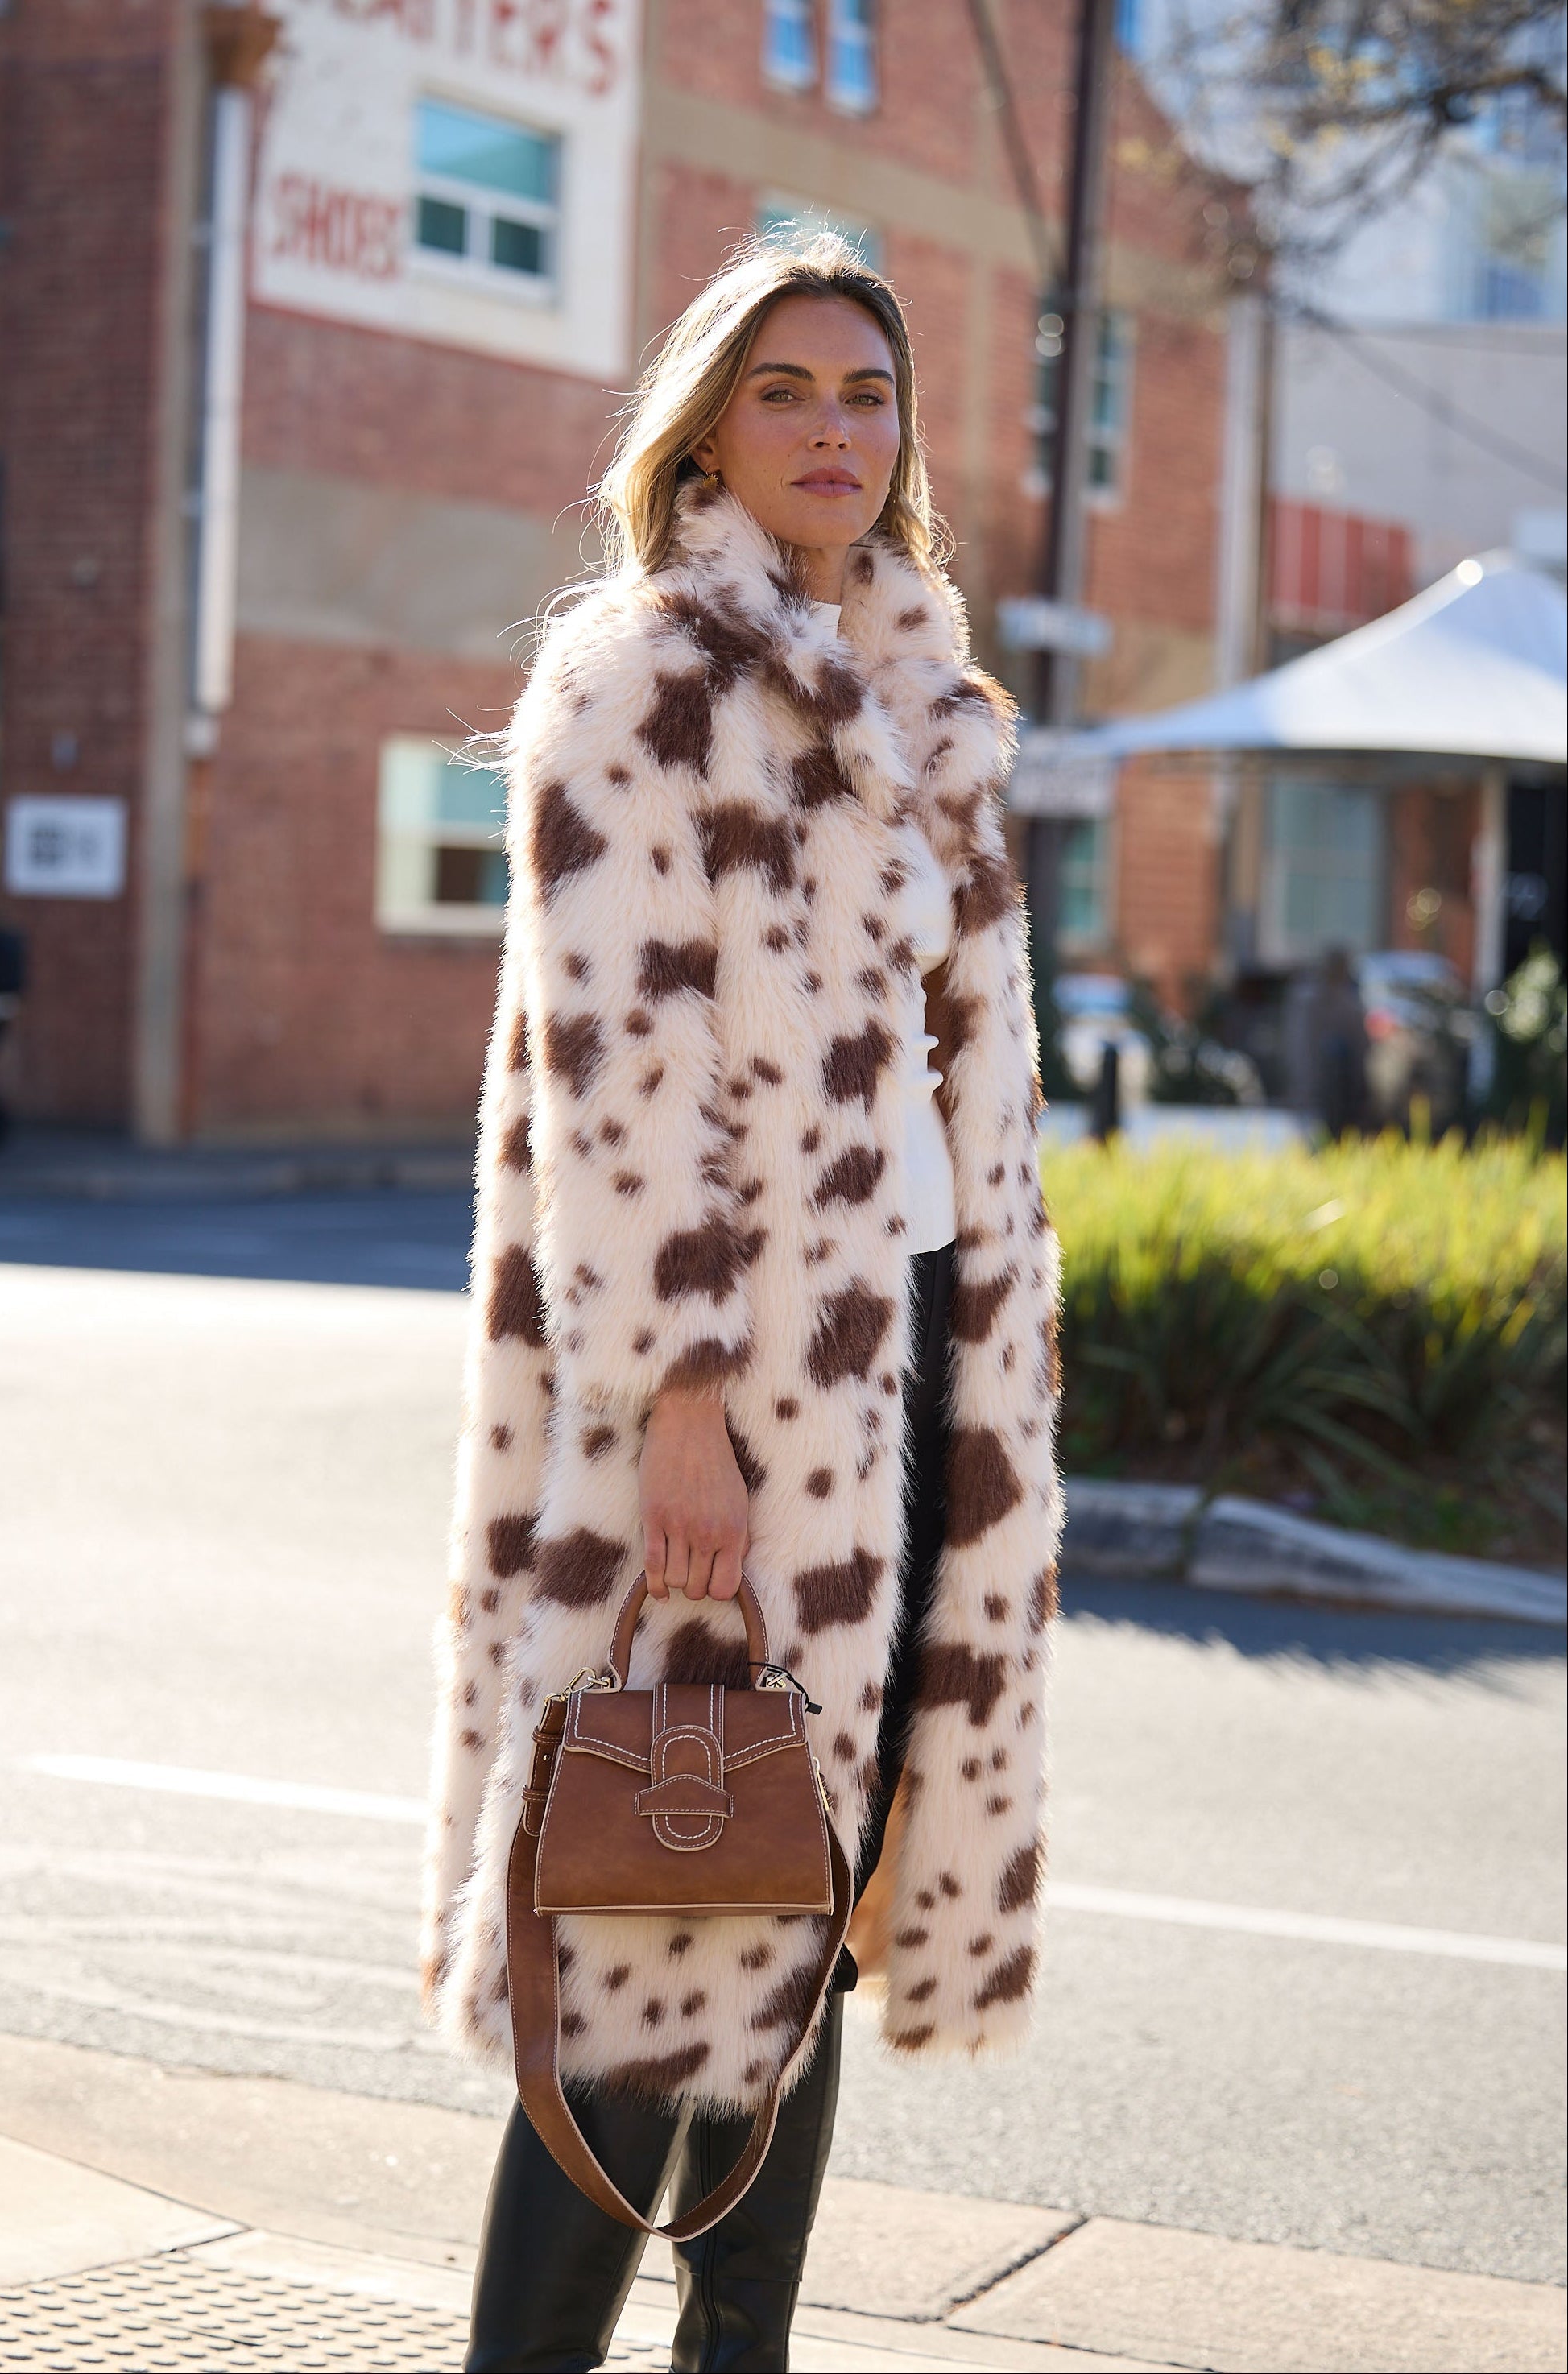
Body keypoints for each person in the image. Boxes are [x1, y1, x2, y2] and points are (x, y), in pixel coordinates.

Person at [422, 233, 1063, 2374]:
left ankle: (741, 2354)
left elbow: (967, 1073)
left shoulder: (924, 692)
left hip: (926, 1360)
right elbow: (623, 1073)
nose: (831, 430)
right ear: (704, 423)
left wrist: (999, 1378)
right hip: (740, 1387)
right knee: (657, 1910)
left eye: (866, 395)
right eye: (784, 391)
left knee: (796, 1923)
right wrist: (679, 1396)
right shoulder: (642, 676)